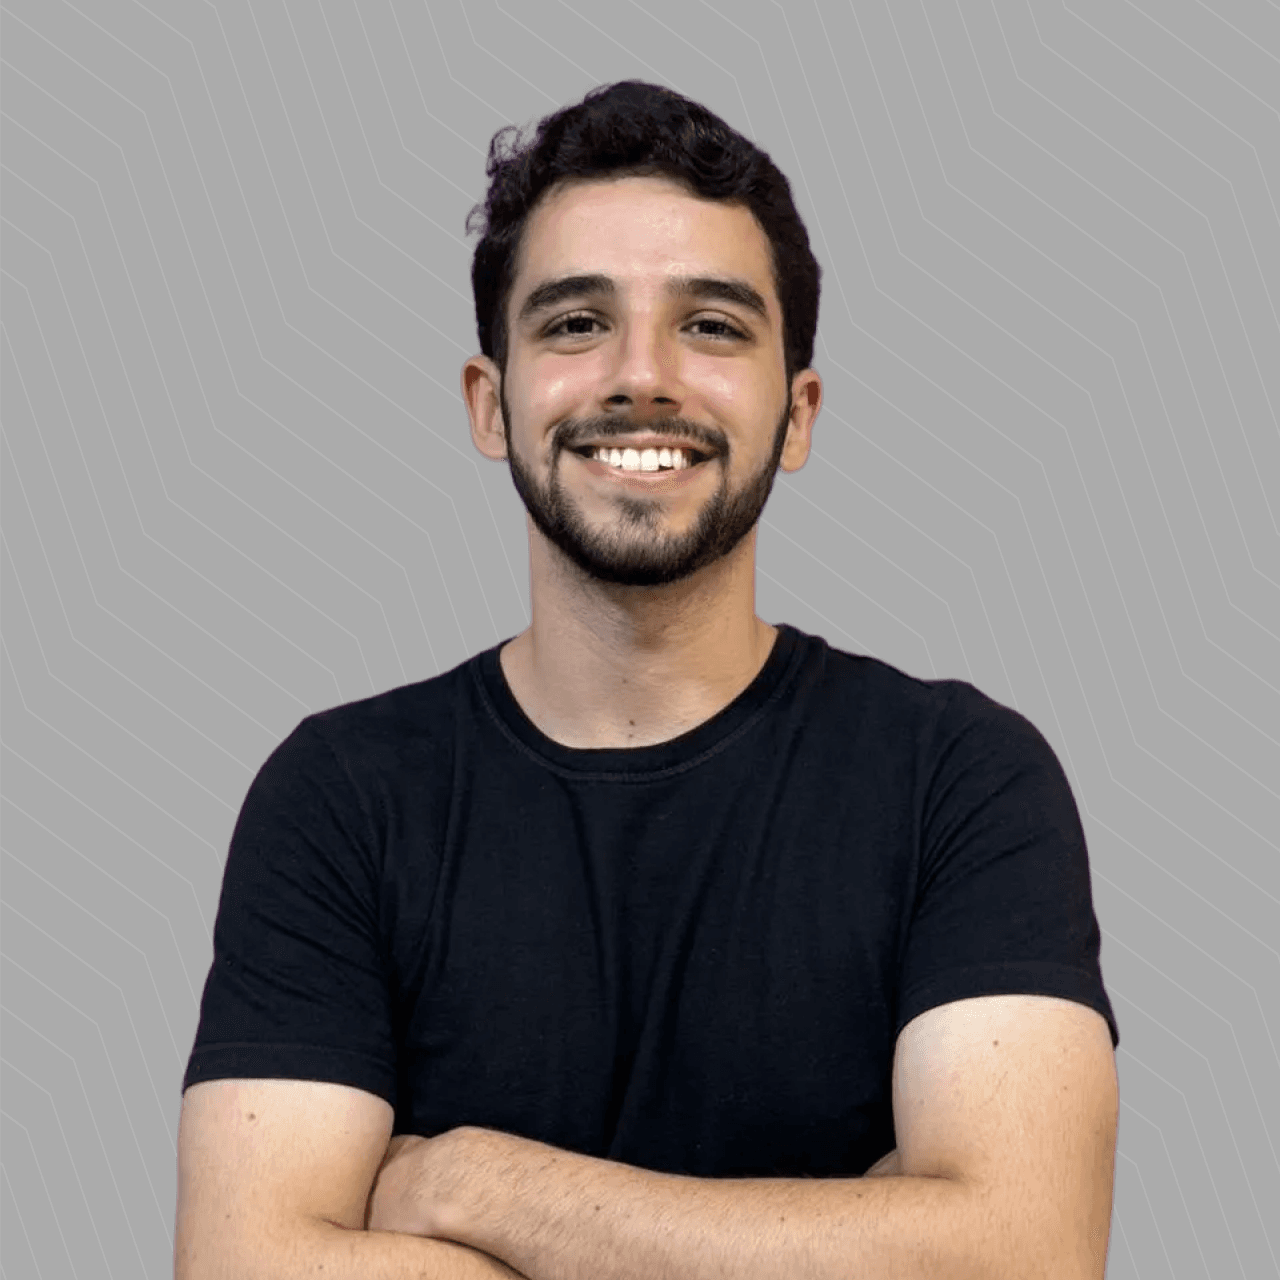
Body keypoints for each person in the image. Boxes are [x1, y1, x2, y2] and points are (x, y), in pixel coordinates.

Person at [174, 79, 1120, 1280]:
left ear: (797, 415)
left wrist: (472, 1185)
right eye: (576, 323)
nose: (641, 376)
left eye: (710, 326)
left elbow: (1022, 1257)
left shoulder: (960, 780)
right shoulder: (338, 795)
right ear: (488, 404)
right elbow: (239, 1262)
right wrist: (856, 1237)